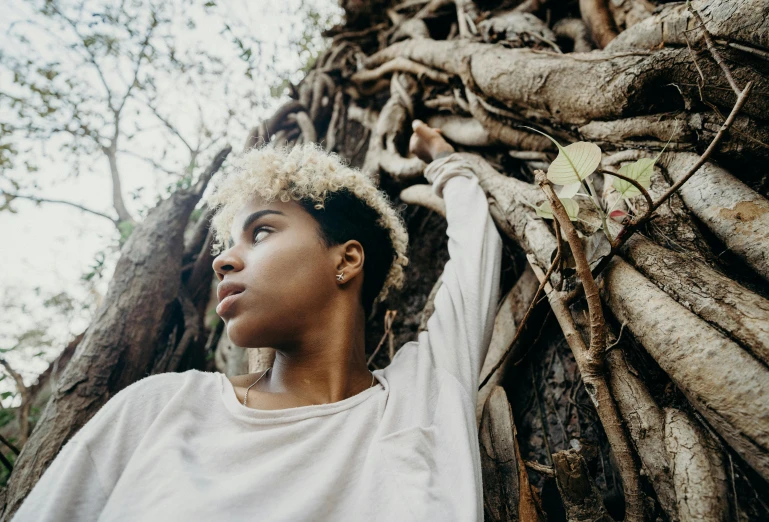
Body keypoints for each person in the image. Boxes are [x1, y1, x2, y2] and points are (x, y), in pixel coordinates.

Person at [11, 120, 503, 521]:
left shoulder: (424, 396)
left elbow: (475, 255)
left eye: (261, 232)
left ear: (346, 261)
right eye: (228, 245)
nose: (222, 261)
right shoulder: (160, 409)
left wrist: (442, 159)